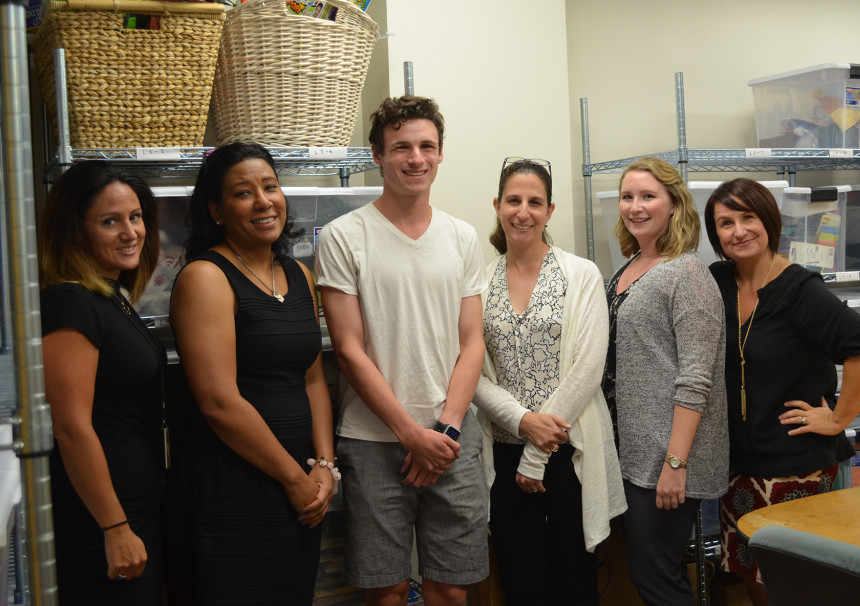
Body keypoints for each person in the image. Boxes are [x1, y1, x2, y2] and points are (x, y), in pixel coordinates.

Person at [316, 95, 489, 606]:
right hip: (373, 439)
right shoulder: (346, 236)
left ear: (440, 153)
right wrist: (410, 434)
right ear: (377, 155)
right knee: (386, 589)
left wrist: (445, 429)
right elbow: (348, 350)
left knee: (452, 588)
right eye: (401, 147)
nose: (416, 158)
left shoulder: (461, 237)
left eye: (426, 146)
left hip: (451, 440)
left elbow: (472, 341)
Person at [163, 143, 335, 605]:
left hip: (298, 485)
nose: (263, 201)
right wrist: (295, 481)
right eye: (243, 193)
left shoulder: (299, 274)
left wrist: (323, 464)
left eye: (270, 187)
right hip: (233, 486)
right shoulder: (206, 277)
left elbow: (313, 377)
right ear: (217, 210)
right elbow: (219, 402)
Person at [704, 177, 860, 606]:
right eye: (725, 223)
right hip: (739, 466)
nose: (739, 231)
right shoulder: (718, 281)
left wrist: (840, 417)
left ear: (768, 220)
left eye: (748, 217)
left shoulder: (799, 289)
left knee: (795, 581)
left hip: (794, 466)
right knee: (752, 571)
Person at [473, 158, 626, 606]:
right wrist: (522, 422)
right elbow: (472, 375)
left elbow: (589, 367)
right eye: (514, 201)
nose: (523, 212)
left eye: (535, 202)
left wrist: (537, 454)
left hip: (568, 450)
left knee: (576, 579)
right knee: (522, 583)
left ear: (551, 209)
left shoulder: (579, 275)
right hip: (503, 452)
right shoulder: (480, 283)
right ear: (498, 206)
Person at [602, 157, 729, 606]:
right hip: (633, 448)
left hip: (666, 455)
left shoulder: (686, 273)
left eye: (648, 196)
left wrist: (675, 463)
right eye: (627, 196)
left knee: (655, 575)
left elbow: (697, 377)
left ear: (674, 205)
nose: (635, 207)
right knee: (651, 569)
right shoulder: (631, 266)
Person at [39, 161, 166, 605]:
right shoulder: (69, 302)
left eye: (135, 217)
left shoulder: (109, 296)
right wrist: (114, 527)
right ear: (76, 232)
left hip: (132, 506)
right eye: (109, 221)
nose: (130, 232)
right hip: (100, 520)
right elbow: (69, 426)